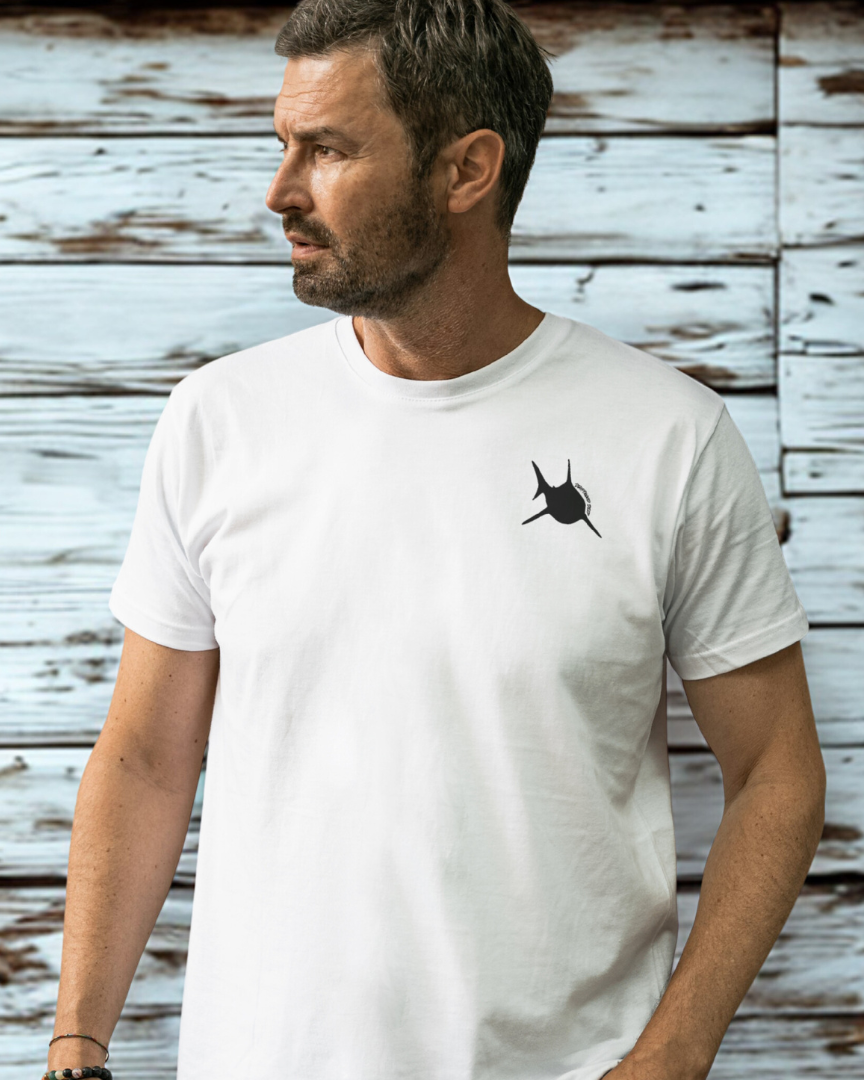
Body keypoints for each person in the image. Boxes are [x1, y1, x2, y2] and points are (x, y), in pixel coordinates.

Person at [47, 2, 826, 1079]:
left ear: (467, 170)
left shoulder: (667, 437)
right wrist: (75, 1043)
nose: (280, 191)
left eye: (328, 150)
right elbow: (143, 758)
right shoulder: (219, 421)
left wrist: (672, 1055)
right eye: (283, 144)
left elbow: (777, 768)